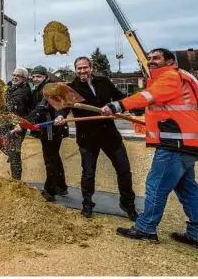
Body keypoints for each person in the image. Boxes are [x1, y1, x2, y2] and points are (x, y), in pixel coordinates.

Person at [101, 48, 198, 251]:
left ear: (169, 61)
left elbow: (148, 96)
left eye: (156, 58)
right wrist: (145, 123)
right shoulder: (174, 78)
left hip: (175, 145)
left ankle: (146, 228)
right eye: (149, 58)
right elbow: (168, 110)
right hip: (187, 144)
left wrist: (118, 105)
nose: (151, 61)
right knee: (188, 190)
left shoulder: (170, 77)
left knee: (156, 186)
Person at [54, 56, 138, 220]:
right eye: (79, 68)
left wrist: (119, 107)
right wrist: (59, 117)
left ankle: (128, 204)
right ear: (75, 70)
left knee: (124, 171)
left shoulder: (103, 82)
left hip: (110, 135)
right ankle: (87, 203)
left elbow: (119, 97)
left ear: (91, 68)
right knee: (88, 173)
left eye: (85, 67)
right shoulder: (71, 88)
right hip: (87, 137)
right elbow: (63, 108)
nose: (82, 71)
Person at [14, 65, 68, 201]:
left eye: (39, 76)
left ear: (45, 77)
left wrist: (24, 123)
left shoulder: (48, 89)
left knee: (50, 159)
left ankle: (50, 191)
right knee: (54, 157)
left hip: (51, 128)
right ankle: (61, 187)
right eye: (34, 77)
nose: (36, 79)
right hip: (49, 128)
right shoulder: (38, 88)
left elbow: (41, 109)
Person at [0, 67, 33, 180]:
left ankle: (16, 181)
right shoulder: (11, 87)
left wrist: (21, 125)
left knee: (15, 153)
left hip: (17, 125)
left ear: (25, 78)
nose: (14, 77)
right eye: (14, 75)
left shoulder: (25, 91)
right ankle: (9, 153)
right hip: (6, 121)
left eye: (18, 76)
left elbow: (14, 106)